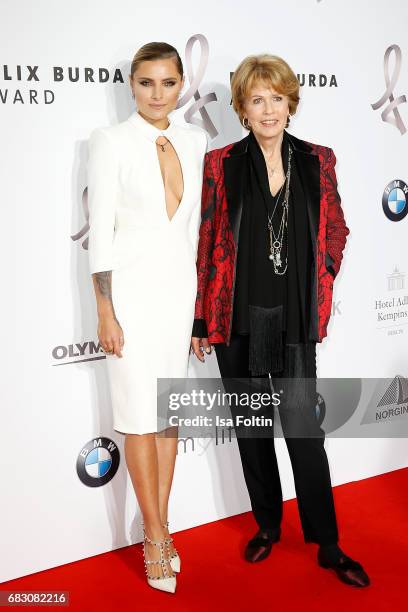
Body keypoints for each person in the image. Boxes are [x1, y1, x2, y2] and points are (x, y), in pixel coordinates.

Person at [191, 54, 370, 587]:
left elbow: (336, 229)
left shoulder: (317, 160)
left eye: (277, 98)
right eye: (256, 99)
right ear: (242, 110)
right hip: (238, 316)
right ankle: (268, 525)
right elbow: (206, 244)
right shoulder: (220, 164)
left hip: (291, 319)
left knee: (302, 431)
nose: (268, 109)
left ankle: (329, 543)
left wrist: (321, 285)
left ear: (291, 103)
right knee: (251, 430)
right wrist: (202, 319)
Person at [88, 41, 207, 593]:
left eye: (167, 83)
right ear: (132, 85)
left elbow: (191, 231)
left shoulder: (196, 139)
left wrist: (198, 308)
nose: (157, 94)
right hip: (130, 296)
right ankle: (157, 536)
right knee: (139, 413)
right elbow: (100, 235)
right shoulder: (109, 142)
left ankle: (156, 520)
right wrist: (105, 309)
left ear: (181, 85)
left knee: (167, 413)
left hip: (178, 293)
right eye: (145, 83)